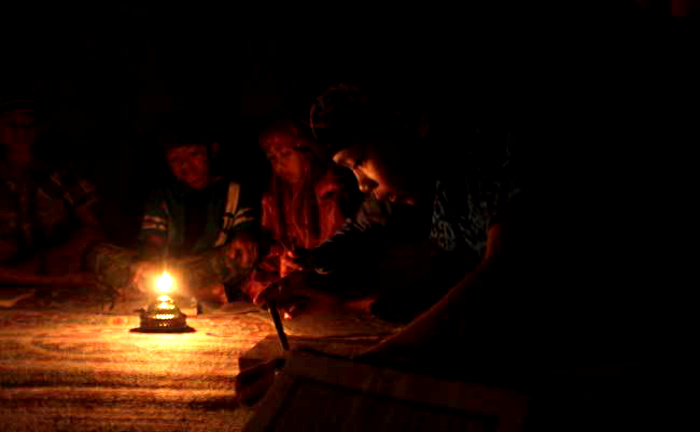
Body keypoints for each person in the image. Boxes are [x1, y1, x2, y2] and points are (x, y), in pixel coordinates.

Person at [86, 116, 259, 304]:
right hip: (167, 268)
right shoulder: (163, 196)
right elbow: (153, 242)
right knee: (99, 253)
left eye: (194, 155)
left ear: (213, 151)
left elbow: (245, 231)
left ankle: (153, 294)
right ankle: (196, 294)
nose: (185, 166)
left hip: (206, 265)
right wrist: (149, 262)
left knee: (241, 257)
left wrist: (244, 237)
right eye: (175, 160)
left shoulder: (234, 191)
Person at [240, 117, 364, 308]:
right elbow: (270, 248)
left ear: (307, 153)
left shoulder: (329, 190)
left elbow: (339, 249)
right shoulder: (273, 198)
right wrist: (283, 261)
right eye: (273, 158)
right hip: (290, 277)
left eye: (285, 154)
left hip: (326, 279)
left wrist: (306, 264)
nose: (280, 164)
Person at [0, 98, 102, 300]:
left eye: (27, 126)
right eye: (13, 125)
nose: (21, 133)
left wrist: (67, 250)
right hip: (9, 264)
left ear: (37, 131)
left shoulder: (57, 173)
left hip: (52, 260)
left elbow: (93, 225)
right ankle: (56, 282)